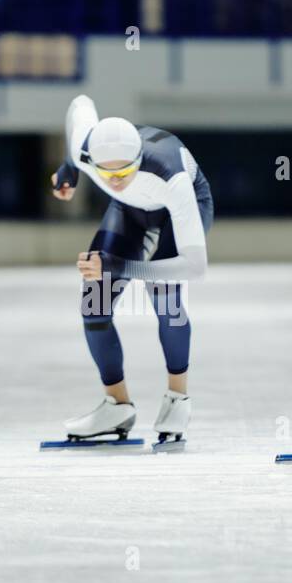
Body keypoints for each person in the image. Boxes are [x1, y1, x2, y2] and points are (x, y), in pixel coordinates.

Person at [51, 95, 213, 444]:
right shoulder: (85, 149)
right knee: (94, 302)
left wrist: (118, 266)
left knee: (165, 296)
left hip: (178, 207)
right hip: (128, 210)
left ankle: (177, 398)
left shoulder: (172, 177)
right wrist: (70, 165)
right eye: (106, 173)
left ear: (139, 158)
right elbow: (79, 102)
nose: (116, 180)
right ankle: (117, 404)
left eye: (125, 171)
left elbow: (195, 267)